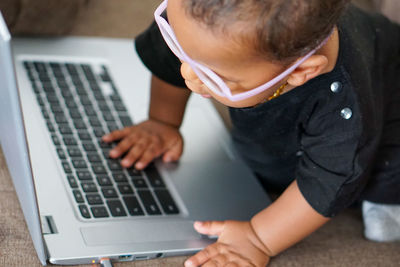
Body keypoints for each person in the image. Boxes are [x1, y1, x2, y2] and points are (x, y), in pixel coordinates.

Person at [102, 0, 400, 266]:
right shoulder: (198, 23)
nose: (187, 74)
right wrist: (163, 121)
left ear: (299, 73)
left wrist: (258, 238)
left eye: (214, 76)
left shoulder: (344, 105)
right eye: (179, 47)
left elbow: (330, 178)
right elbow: (172, 61)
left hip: (387, 112)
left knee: (377, 172)